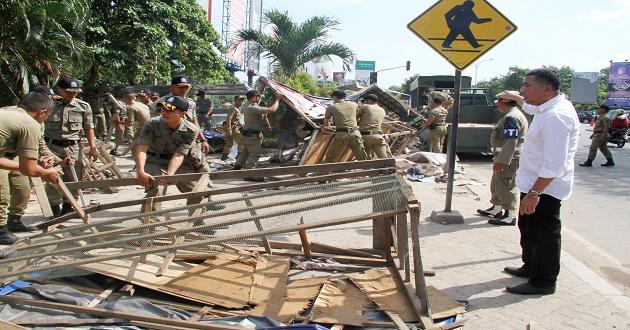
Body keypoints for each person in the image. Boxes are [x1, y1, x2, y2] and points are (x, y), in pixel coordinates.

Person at [500, 68, 580, 295]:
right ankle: (530, 266)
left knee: (544, 233)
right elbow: (531, 107)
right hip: (533, 184)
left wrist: (535, 194)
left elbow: (555, 163)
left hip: (545, 188)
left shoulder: (557, 116)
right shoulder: (547, 107)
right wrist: (517, 98)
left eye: (527, 85)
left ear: (547, 89)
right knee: (528, 228)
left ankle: (543, 281)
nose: (522, 90)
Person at [0, 92, 61, 244]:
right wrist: (47, 172)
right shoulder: (30, 123)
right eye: (46, 117)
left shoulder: (8, 113)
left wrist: (35, 164)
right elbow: (29, 170)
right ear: (43, 112)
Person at [134, 96, 205, 211]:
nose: (165, 112)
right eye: (163, 109)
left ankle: (197, 222)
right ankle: (149, 225)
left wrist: (169, 175)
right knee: (155, 189)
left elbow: (179, 154)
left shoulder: (191, 130)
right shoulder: (152, 124)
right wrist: (140, 171)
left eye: (170, 110)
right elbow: (142, 147)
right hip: (154, 161)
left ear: (182, 113)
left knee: (197, 191)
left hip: (178, 162)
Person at [44, 77, 98, 217]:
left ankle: (69, 206)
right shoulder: (49, 105)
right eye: (68, 92)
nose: (72, 95)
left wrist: (93, 147)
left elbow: (89, 128)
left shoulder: (83, 106)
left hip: (73, 147)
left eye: (75, 92)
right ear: (59, 90)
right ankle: (54, 208)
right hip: (52, 146)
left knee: (74, 178)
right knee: (52, 176)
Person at [477, 91, 529, 226]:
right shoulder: (510, 115)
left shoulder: (512, 117)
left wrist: (502, 161)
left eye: (499, 101)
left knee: (506, 185)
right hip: (503, 156)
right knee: (496, 184)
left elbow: (511, 140)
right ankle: (497, 208)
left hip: (508, 159)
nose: (497, 104)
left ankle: (510, 215)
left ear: (504, 101)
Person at [150, 76, 210, 154]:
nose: (184, 89)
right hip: (166, 146)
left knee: (200, 164)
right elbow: (153, 125)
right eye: (181, 87)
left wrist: (203, 140)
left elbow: (194, 122)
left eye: (187, 87)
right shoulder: (161, 103)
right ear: (172, 88)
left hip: (187, 142)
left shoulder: (191, 103)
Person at [234, 90, 282, 171]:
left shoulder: (246, 105)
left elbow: (256, 95)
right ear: (254, 97)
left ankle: (237, 167)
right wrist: (277, 100)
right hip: (252, 136)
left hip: (247, 135)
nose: (259, 98)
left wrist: (262, 85)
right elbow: (272, 109)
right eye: (258, 97)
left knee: (245, 152)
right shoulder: (253, 108)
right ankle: (250, 173)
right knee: (255, 154)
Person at [323, 90, 368, 162]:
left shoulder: (331, 107)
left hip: (341, 134)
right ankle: (367, 170)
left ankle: (324, 171)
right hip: (355, 133)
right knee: (362, 157)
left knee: (330, 157)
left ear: (334, 97)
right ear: (344, 97)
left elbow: (326, 121)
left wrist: (327, 127)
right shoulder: (354, 104)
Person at [357, 94, 388, 159]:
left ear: (369, 100)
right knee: (384, 159)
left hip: (366, 136)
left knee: (365, 159)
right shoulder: (382, 110)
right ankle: (388, 168)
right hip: (378, 136)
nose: (364, 102)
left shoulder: (365, 106)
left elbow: (355, 119)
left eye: (365, 101)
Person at [222, 95, 245, 161]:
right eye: (239, 100)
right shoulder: (233, 108)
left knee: (229, 142)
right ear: (235, 101)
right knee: (241, 140)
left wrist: (241, 126)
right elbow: (229, 119)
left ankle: (225, 155)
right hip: (232, 127)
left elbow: (237, 120)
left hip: (233, 126)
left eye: (242, 101)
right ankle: (239, 155)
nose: (241, 102)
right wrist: (229, 129)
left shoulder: (238, 109)